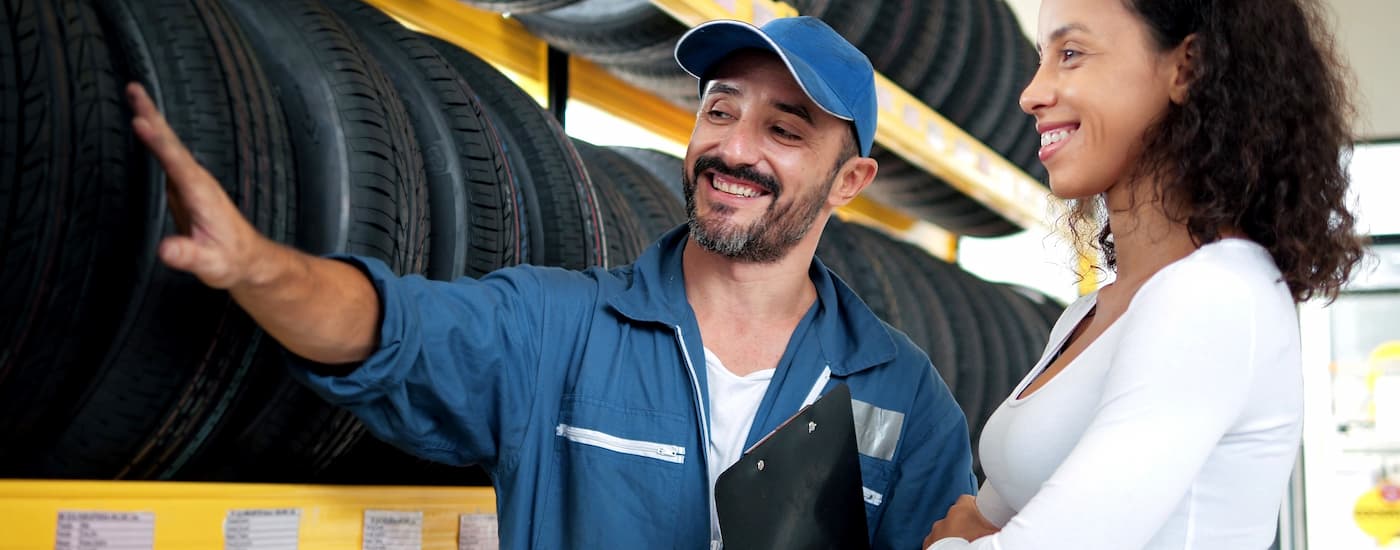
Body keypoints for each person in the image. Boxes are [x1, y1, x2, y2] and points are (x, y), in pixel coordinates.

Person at [127, 15, 976, 550]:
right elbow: (386, 329)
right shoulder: (560, 329)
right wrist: (254, 265)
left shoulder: (902, 395)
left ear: (849, 181)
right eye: (720, 110)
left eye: (784, 130)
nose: (734, 149)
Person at [922, 0, 1366, 548]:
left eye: (1070, 53)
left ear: (1188, 69)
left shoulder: (1216, 295)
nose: (1031, 93)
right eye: (1042, 58)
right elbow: (999, 514)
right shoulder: (1088, 315)